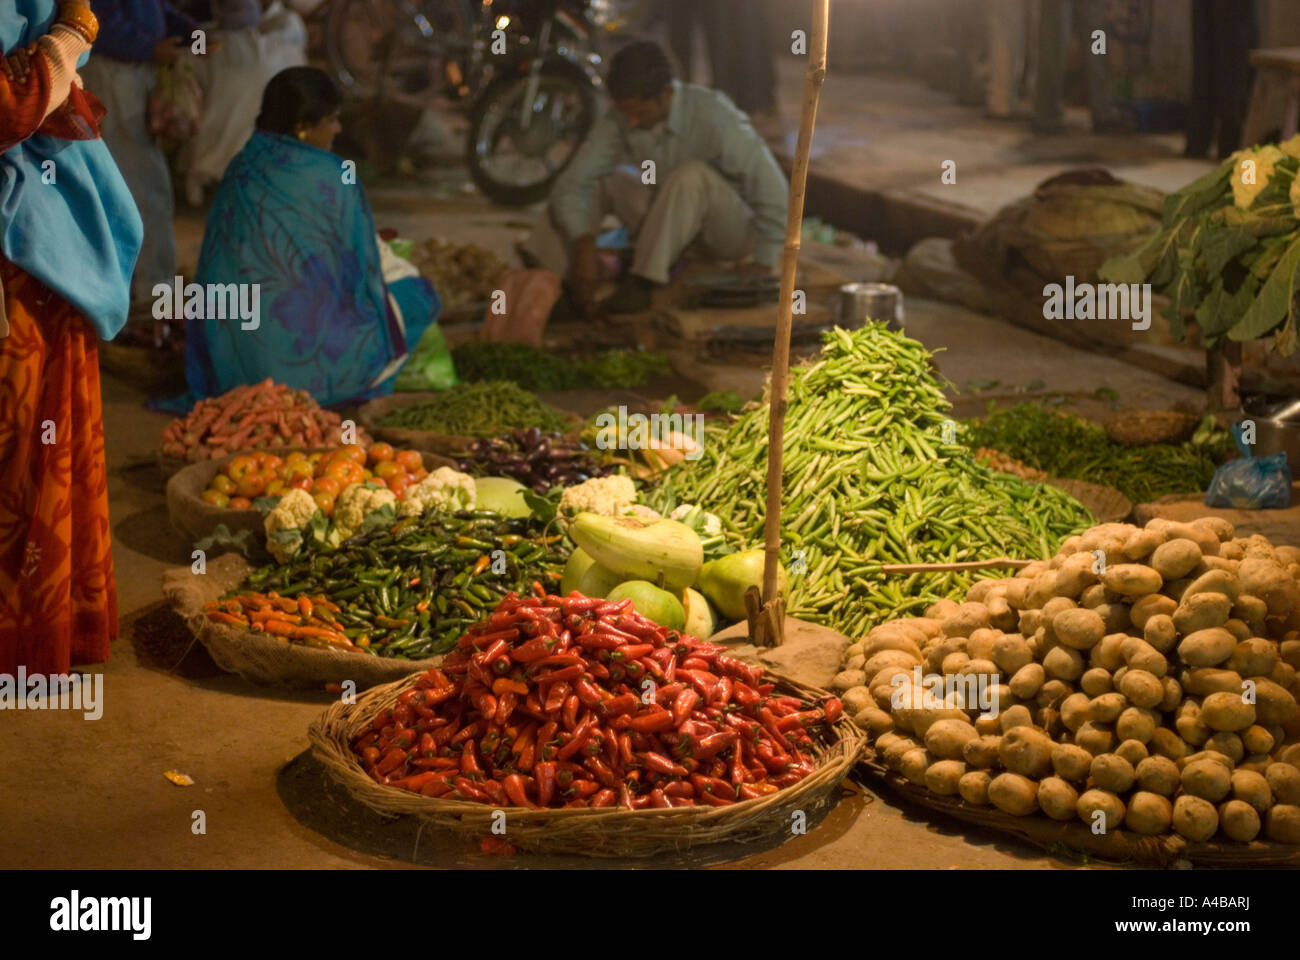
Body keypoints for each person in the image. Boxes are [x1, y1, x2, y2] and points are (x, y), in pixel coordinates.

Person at [1, 0, 143, 675]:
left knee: (41, 433)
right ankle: (25, 630)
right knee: (25, 434)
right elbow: (7, 107)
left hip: (36, 244)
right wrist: (67, 39)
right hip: (21, 257)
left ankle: (42, 621)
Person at [183, 67, 441, 407]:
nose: (338, 129)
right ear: (303, 127)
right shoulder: (332, 175)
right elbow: (360, 273)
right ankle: (344, 387)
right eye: (331, 120)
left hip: (231, 361)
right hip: (304, 363)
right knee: (420, 297)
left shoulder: (241, 166)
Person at [522, 41, 788, 317]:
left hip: (726, 235)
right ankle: (552, 276)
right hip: (669, 223)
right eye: (627, 114)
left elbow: (772, 189)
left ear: (665, 94)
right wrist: (583, 244)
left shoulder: (714, 115)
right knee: (604, 180)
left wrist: (764, 261)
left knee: (690, 174)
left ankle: (642, 283)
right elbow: (574, 182)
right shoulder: (621, 118)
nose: (632, 122)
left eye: (639, 113)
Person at [78, 0, 196, 309]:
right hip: (115, 73)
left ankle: (138, 290)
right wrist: (150, 48)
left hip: (128, 71)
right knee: (142, 187)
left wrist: (187, 30)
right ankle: (151, 295)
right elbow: (95, 19)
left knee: (135, 185)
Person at [179, 0, 308, 205]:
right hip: (261, 161)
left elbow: (184, 64)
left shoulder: (209, 44)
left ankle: (200, 189)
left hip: (212, 159)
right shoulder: (279, 43)